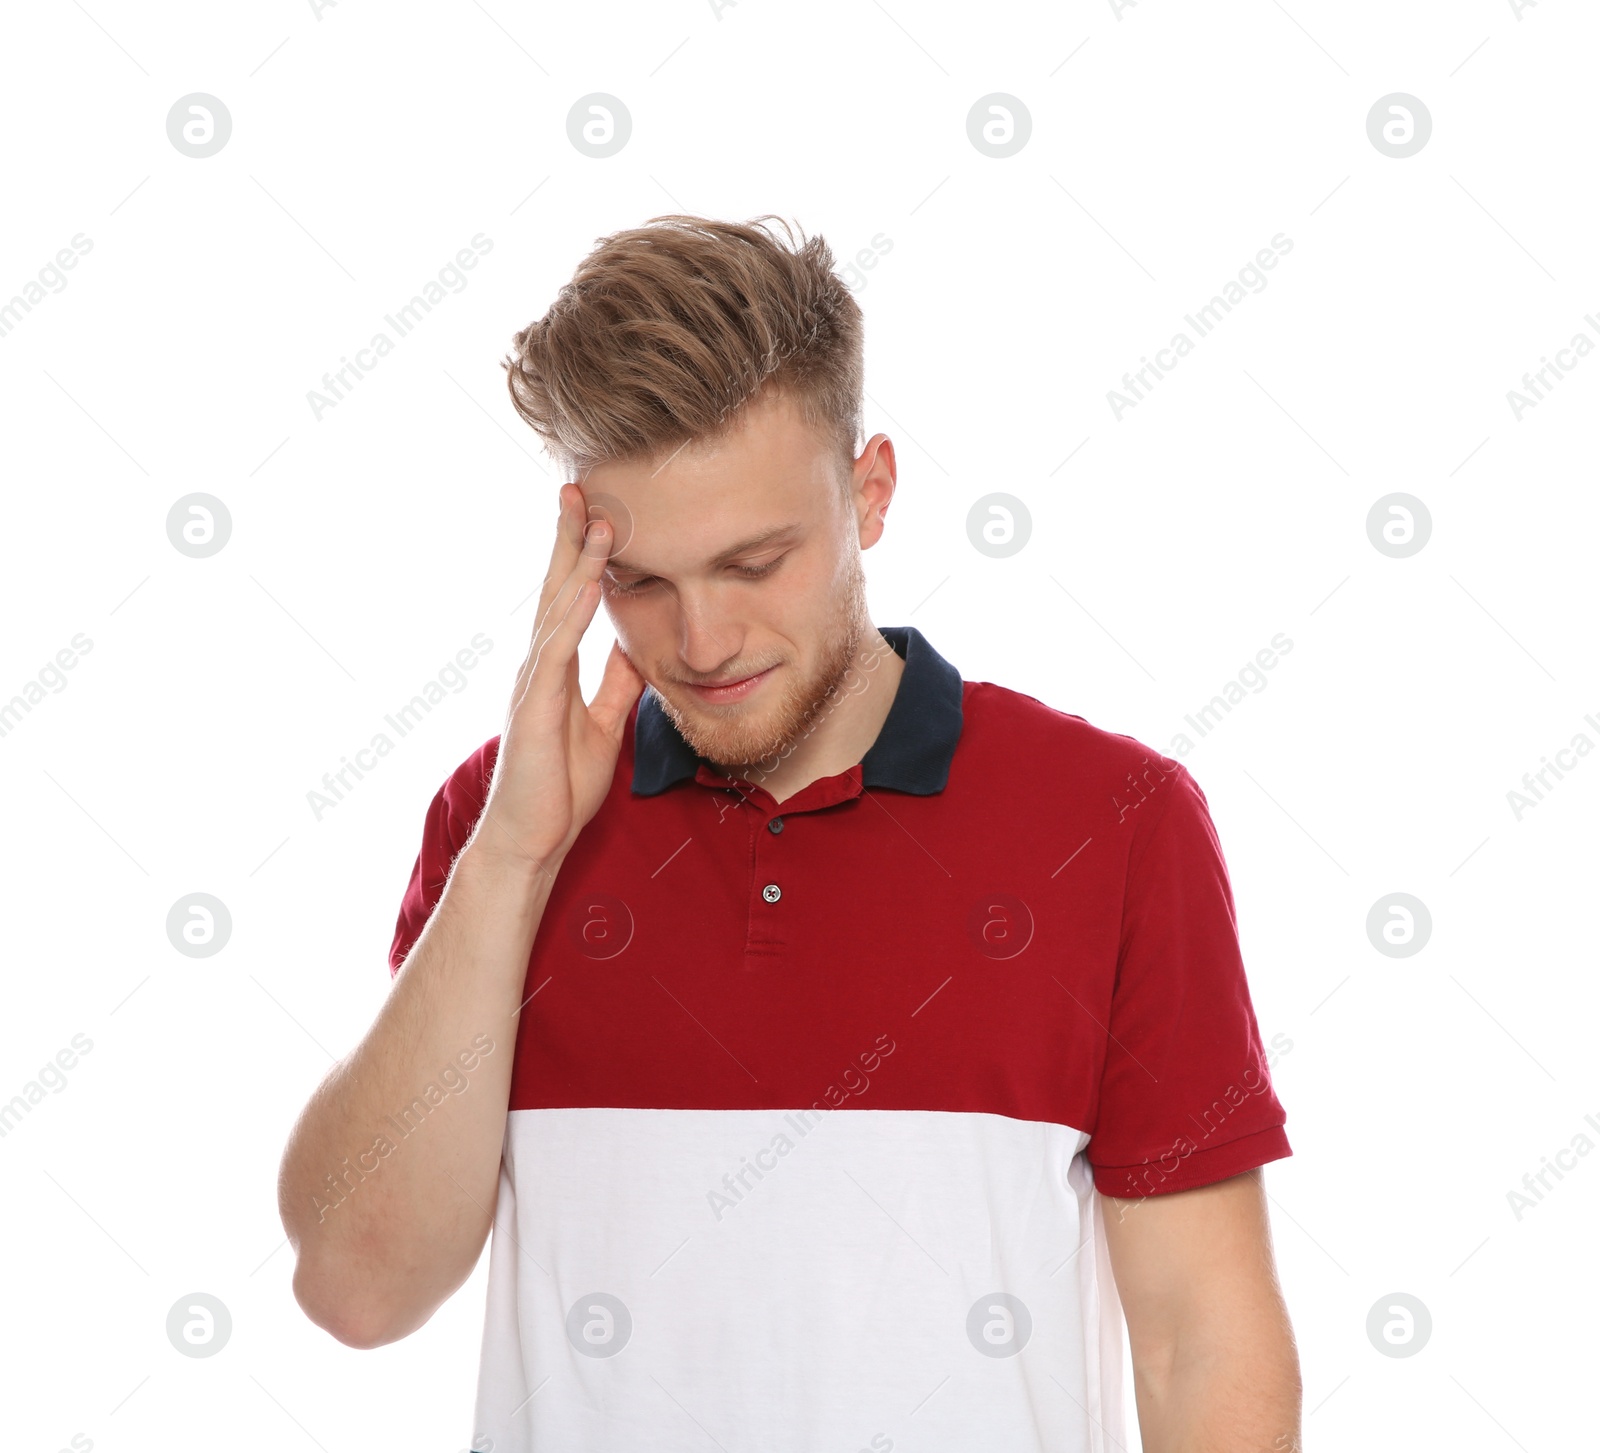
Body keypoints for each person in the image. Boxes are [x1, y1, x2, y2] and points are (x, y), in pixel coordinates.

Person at [278, 214, 1300, 1452]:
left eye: (754, 561)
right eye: (639, 582)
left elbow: (1201, 1342)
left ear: (868, 495)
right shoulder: (503, 828)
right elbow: (357, 1287)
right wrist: (513, 856)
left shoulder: (1113, 823)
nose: (698, 645)